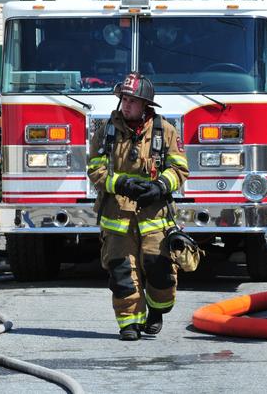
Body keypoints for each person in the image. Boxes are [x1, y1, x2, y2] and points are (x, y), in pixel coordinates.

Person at [87, 72, 189, 341]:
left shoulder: (165, 131)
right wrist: (121, 184)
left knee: (161, 272)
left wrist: (160, 186)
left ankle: (156, 311)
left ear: (146, 104)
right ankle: (129, 324)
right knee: (121, 273)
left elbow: (180, 169)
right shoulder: (106, 131)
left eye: (132, 100)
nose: (126, 105)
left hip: (155, 215)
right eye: (124, 99)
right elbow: (94, 169)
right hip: (117, 215)